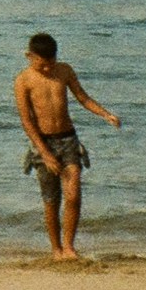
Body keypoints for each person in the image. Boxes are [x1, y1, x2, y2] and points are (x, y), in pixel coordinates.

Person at [16, 31, 121, 260]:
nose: (47, 69)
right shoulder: (23, 80)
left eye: (51, 63)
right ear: (29, 56)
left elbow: (83, 98)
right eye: (42, 65)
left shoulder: (64, 71)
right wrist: (45, 154)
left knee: (73, 195)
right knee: (51, 199)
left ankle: (69, 247)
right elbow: (26, 121)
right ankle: (56, 250)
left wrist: (106, 115)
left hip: (68, 139)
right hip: (43, 144)